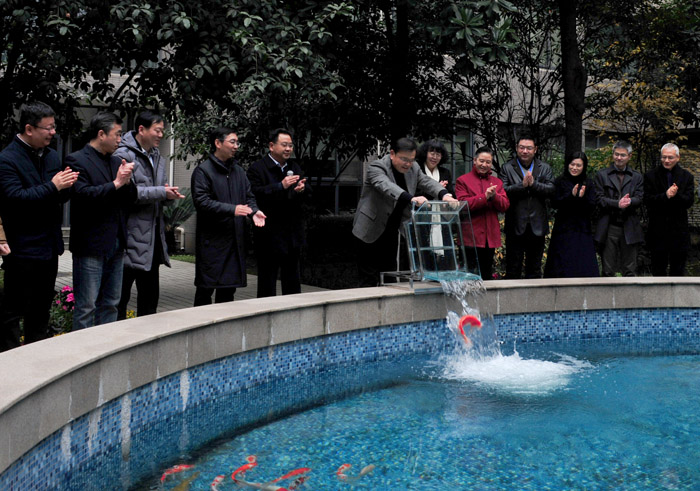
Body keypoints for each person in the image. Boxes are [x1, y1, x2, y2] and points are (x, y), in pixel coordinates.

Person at [0, 102, 79, 351]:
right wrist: (54, 186)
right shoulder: (7, 159)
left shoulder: (51, 155)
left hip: (48, 247)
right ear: (29, 129)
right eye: (48, 128)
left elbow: (55, 197)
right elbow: (16, 199)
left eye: (54, 127)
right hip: (21, 249)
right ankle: (11, 360)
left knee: (41, 310)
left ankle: (38, 358)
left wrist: (68, 186)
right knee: (13, 312)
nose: (53, 132)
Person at [352, 137, 458, 287]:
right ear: (392, 154)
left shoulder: (414, 168)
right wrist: (411, 199)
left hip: (392, 228)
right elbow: (386, 186)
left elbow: (426, 182)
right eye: (404, 159)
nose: (408, 164)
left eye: (412, 160)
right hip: (369, 228)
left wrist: (444, 194)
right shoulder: (377, 167)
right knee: (368, 278)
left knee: (389, 275)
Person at [66, 112, 136, 330]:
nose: (120, 140)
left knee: (111, 303)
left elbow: (131, 198)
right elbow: (83, 196)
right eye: (117, 134)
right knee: (86, 306)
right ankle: (82, 349)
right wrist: (116, 183)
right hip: (90, 244)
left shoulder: (117, 161)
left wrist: (127, 181)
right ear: (101, 134)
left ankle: (107, 346)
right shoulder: (76, 160)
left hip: (116, 243)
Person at [114, 110, 184, 319]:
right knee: (119, 301)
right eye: (157, 130)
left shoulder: (157, 156)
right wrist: (162, 192)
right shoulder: (123, 155)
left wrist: (168, 196)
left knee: (150, 302)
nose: (161, 135)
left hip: (153, 239)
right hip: (128, 238)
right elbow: (128, 194)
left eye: (163, 131)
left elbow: (159, 190)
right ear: (141, 129)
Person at [191, 127, 266, 306]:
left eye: (237, 142)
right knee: (205, 291)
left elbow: (249, 197)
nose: (236, 146)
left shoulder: (238, 171)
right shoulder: (203, 171)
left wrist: (254, 211)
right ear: (218, 143)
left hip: (234, 242)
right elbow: (202, 202)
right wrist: (233, 209)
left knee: (227, 294)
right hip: (212, 244)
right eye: (232, 142)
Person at [247, 128, 310, 298]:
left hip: (292, 235)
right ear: (271, 146)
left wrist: (301, 189)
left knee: (292, 282)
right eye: (284, 145)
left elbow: (307, 195)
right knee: (267, 283)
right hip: (269, 235)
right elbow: (255, 194)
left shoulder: (294, 167)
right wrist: (280, 186)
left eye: (290, 145)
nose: (288, 149)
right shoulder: (257, 169)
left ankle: (294, 311)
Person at [499, 134, 554, 278]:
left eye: (529, 148)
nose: (525, 151)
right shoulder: (507, 167)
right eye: (522, 147)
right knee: (513, 268)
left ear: (535, 149)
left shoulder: (544, 167)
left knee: (534, 269)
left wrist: (534, 185)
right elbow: (502, 191)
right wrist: (521, 186)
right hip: (515, 223)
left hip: (537, 224)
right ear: (516, 148)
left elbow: (551, 190)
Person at [455, 147, 509, 280]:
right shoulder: (463, 180)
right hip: (470, 236)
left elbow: (505, 205)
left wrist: (494, 196)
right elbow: (462, 205)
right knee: (467, 277)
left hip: (489, 237)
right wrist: (484, 197)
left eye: (488, 162)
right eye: (481, 161)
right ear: (475, 160)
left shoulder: (497, 182)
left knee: (486, 276)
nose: (484, 165)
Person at [544, 152, 599, 278]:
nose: (574, 168)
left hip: (582, 228)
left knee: (582, 262)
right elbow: (554, 203)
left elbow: (592, 206)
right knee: (560, 263)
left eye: (578, 165)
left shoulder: (588, 183)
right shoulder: (560, 181)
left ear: (584, 167)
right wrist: (571, 196)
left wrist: (581, 198)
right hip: (563, 228)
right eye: (572, 164)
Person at [593, 141, 644, 276]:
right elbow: (598, 199)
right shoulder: (602, 175)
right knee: (608, 269)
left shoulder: (636, 177)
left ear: (630, 156)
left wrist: (629, 201)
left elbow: (640, 198)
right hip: (609, 225)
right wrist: (617, 204)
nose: (619, 158)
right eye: (616, 154)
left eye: (622, 155)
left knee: (630, 269)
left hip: (630, 225)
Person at [643, 143, 695, 276]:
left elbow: (689, 201)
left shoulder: (686, 177)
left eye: (670, 157)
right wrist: (665, 195)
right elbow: (647, 200)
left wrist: (675, 195)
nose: (666, 160)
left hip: (679, 232)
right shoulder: (650, 176)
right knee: (658, 272)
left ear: (678, 157)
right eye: (663, 157)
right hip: (657, 231)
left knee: (677, 272)